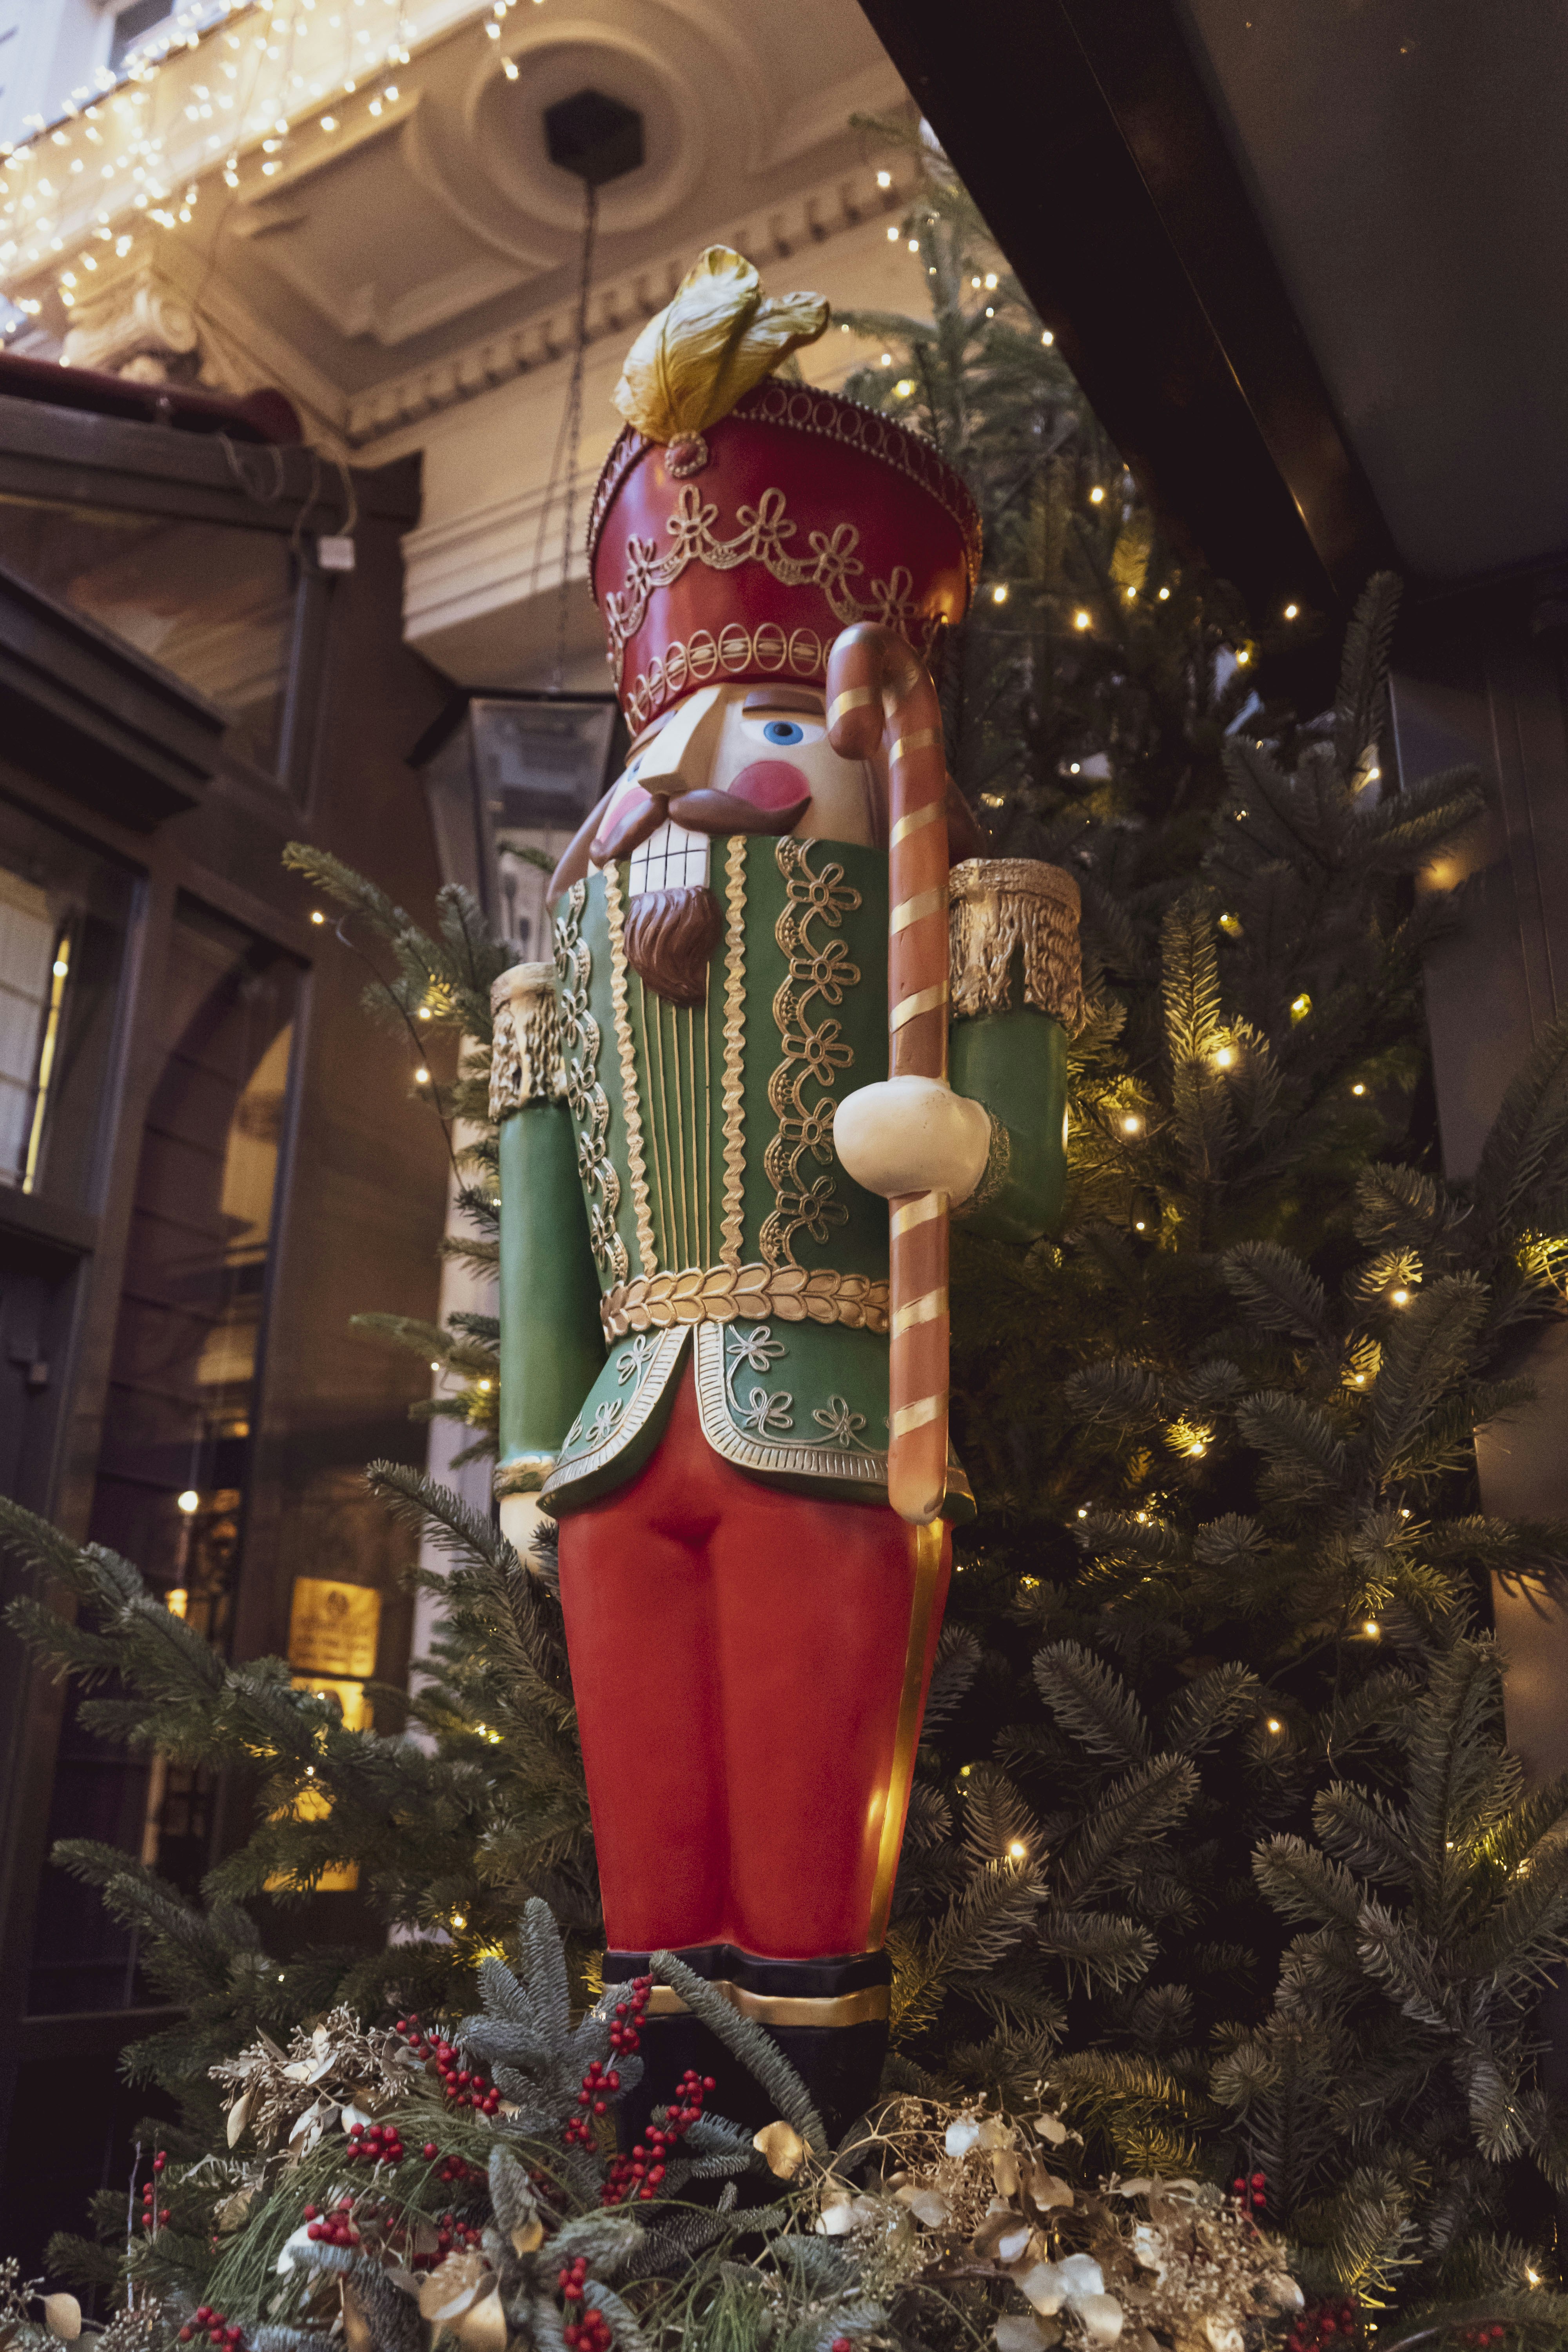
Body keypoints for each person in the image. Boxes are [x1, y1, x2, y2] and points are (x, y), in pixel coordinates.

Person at [492, 247, 1083, 2135]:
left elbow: (1035, 1189)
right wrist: (521, 1444)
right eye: (651, 756)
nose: (673, 784)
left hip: (829, 1413)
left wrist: (970, 1145)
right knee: (652, 1881)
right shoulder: (558, 967)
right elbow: (542, 1234)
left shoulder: (955, 905)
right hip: (612, 1445)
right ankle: (654, 2182)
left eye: (740, 738)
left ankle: (794, 2193)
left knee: (811, 1878)